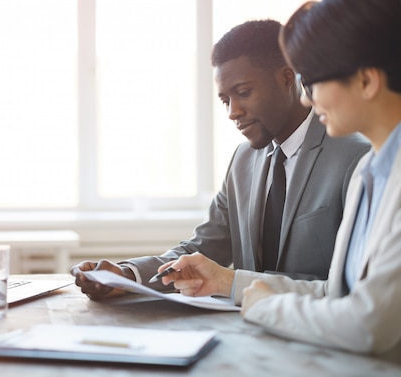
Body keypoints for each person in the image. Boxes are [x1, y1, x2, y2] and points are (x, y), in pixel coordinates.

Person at [159, 0, 401, 377]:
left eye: (313, 80)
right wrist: (231, 282)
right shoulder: (373, 167)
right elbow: (336, 294)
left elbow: (369, 322)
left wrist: (266, 305)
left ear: (367, 80)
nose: (305, 97)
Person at [71, 19, 369, 299]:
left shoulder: (355, 157)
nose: (232, 112)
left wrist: (231, 282)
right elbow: (204, 248)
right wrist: (126, 276)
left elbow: (350, 288)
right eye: (225, 100)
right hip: (246, 330)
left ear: (286, 78)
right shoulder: (244, 159)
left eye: (243, 93)